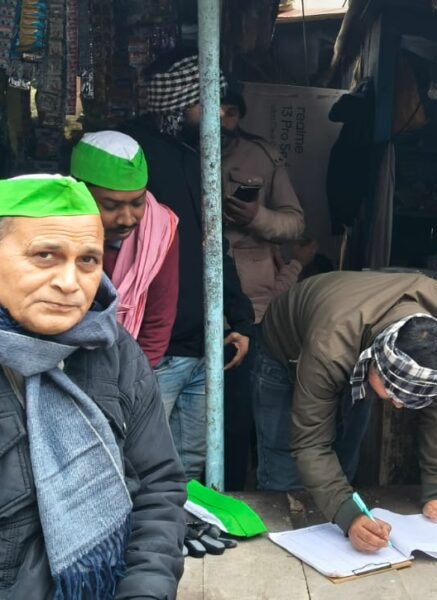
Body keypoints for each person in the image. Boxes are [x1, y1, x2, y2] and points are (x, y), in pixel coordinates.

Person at [0, 175, 185, 598]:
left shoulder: (113, 350)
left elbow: (158, 484)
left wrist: (144, 591)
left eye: (87, 260)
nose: (70, 282)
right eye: (45, 255)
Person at [259, 271, 437, 552]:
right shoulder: (330, 346)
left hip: (352, 333)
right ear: (372, 361)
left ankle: (339, 509)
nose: (398, 406)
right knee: (284, 465)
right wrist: (349, 516)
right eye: (394, 393)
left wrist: (436, 493)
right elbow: (310, 442)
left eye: (412, 399)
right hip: (285, 349)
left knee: (348, 449)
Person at [121, 52, 257, 482]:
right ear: (180, 102)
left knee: (189, 470)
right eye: (207, 102)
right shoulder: (132, 155)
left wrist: (240, 319)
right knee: (139, 466)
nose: (218, 114)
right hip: (154, 349)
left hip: (202, 345)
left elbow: (214, 246)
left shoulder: (196, 156)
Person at [219, 89, 310, 489]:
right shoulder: (179, 150)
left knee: (243, 411)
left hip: (253, 304)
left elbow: (295, 223)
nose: (221, 118)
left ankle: (237, 492)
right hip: (193, 299)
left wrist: (257, 216)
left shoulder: (263, 156)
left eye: (230, 111)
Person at [69, 130, 180, 368]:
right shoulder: (50, 232)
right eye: (111, 206)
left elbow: (158, 321)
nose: (127, 219)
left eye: (138, 203)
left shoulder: (160, 231)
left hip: (127, 366)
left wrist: (135, 377)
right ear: (80, 194)